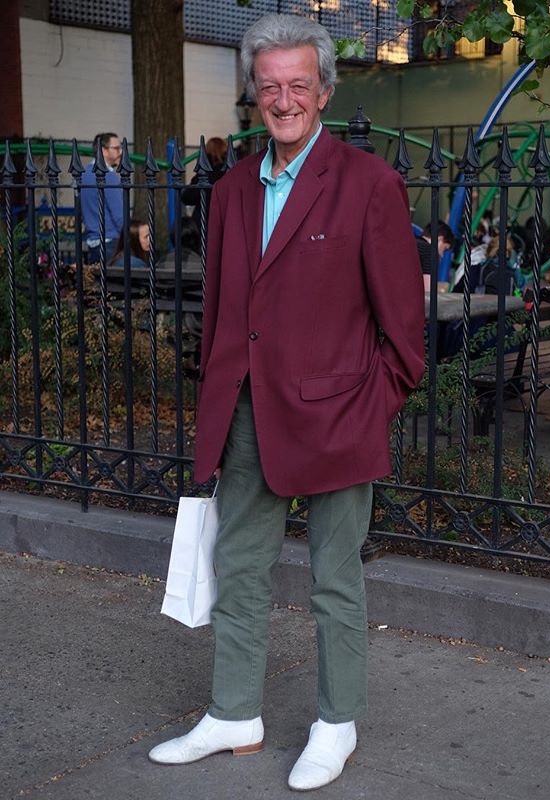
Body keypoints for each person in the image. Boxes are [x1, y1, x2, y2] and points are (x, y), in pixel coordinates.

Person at [148, 13, 425, 792]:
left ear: (325, 90)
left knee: (335, 579)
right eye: (269, 87)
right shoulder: (234, 187)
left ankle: (337, 724)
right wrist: (217, 401)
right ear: (253, 97)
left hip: (339, 415)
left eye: (298, 84)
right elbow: (225, 311)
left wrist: (371, 409)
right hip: (247, 413)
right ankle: (235, 714)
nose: (284, 99)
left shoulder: (370, 184)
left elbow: (404, 335)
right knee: (237, 568)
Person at [80, 132, 124, 264]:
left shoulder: (83, 175)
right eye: (116, 148)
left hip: (93, 242)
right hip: (111, 242)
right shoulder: (109, 176)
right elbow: (119, 215)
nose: (121, 152)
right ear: (104, 150)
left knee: (99, 283)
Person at [181, 136, 228, 213]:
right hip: (226, 219)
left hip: (204, 219)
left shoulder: (204, 174)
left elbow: (187, 197)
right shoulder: (230, 172)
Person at [416, 219, 454, 291]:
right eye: (444, 248)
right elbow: (428, 292)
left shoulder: (411, 242)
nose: (442, 255)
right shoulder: (430, 252)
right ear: (439, 240)